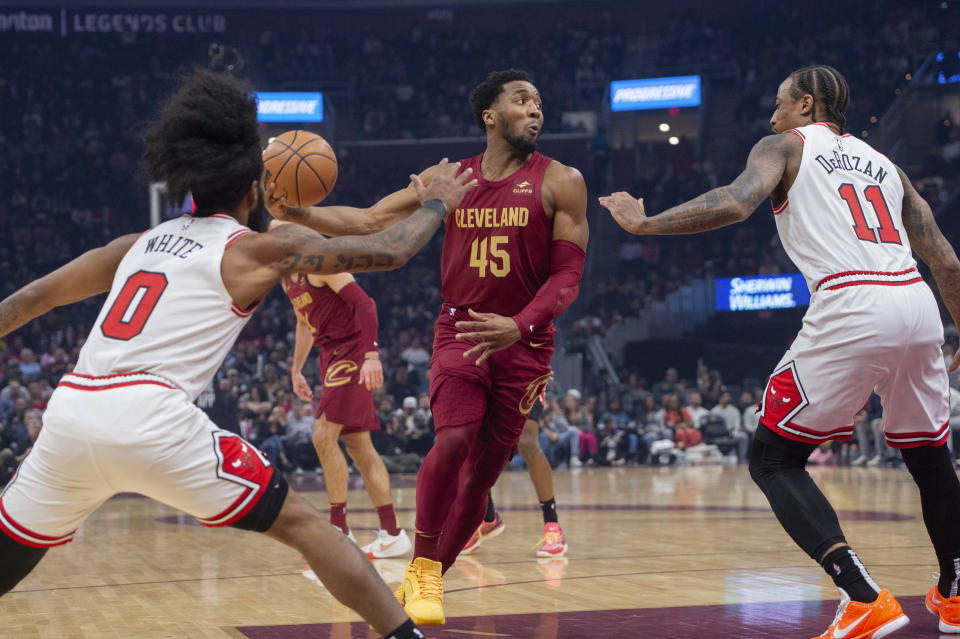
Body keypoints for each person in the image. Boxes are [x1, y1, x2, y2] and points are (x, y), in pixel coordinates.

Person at [0, 69, 477, 639]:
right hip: (153, 419)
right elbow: (388, 249)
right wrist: (436, 205)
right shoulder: (256, 249)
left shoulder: (133, 246)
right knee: (305, 526)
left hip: (71, 416)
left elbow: (27, 302)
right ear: (254, 189)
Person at [602, 64, 960, 637]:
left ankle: (862, 595)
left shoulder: (784, 145)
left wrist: (645, 224)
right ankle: (957, 593)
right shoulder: (887, 166)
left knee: (771, 459)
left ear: (807, 104)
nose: (771, 114)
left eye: (779, 102)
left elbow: (735, 202)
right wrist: (958, 333)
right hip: (916, 304)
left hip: (851, 302)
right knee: (931, 458)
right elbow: (945, 259)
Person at [267, 68, 588, 625]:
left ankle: (433, 571)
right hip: (461, 328)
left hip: (525, 342)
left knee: (484, 474)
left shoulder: (563, 180)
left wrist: (519, 325)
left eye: (539, 101)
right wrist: (298, 214)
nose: (536, 109)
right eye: (521, 100)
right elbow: (368, 219)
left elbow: (567, 278)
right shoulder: (450, 177)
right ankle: (420, 565)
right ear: (490, 116)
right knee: (456, 438)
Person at [281, 255, 411, 558]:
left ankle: (339, 530)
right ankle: (391, 533)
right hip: (330, 356)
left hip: (352, 351)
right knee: (358, 445)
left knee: (322, 435)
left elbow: (366, 304)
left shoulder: (323, 264)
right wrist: (296, 369)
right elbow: (303, 322)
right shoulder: (286, 277)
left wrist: (371, 356)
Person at [461, 393, 569, 560]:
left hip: (525, 374)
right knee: (476, 444)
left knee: (527, 440)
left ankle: (552, 524)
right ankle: (488, 518)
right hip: (488, 377)